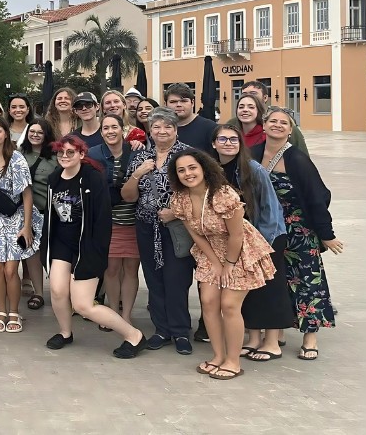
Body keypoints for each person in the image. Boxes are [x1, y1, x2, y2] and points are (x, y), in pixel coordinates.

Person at [164, 149, 277, 380]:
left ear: (204, 168)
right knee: (208, 302)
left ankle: (233, 362)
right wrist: (215, 263)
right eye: (181, 170)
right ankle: (218, 356)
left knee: (229, 305)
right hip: (209, 251)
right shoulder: (180, 199)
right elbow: (195, 235)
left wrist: (228, 265)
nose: (188, 173)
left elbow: (236, 235)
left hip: (239, 250)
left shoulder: (223, 194)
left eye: (192, 167)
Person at [44, 136, 148, 358]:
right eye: (61, 153)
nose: (64, 156)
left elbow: (102, 218)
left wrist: (96, 252)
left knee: (83, 305)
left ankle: (134, 335)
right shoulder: (55, 177)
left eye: (70, 152)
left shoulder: (92, 178)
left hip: (87, 245)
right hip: (61, 242)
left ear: (82, 154)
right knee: (57, 290)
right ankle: (65, 332)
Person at [254, 107, 343, 361]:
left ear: (291, 130)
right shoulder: (254, 153)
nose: (278, 125)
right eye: (273, 121)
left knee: (306, 282)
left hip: (299, 231)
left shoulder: (297, 159)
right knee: (275, 282)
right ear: (264, 125)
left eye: (284, 123)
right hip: (267, 231)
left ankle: (310, 337)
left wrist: (326, 233)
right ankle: (276, 330)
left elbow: (317, 197)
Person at [210, 124, 291, 361]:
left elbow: (269, 207)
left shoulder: (253, 169)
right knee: (250, 292)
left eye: (233, 139)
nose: (228, 143)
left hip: (266, 236)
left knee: (271, 290)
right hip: (239, 239)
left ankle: (272, 342)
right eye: (222, 139)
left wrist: (265, 243)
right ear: (214, 144)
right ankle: (255, 339)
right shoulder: (213, 170)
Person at [120, 106, 194, 355]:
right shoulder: (141, 158)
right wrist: (137, 175)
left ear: (176, 129)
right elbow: (128, 196)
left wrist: (176, 212)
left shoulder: (187, 156)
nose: (162, 131)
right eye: (156, 126)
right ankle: (161, 329)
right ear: (149, 130)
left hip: (177, 227)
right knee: (154, 278)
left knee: (177, 278)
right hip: (145, 226)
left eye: (168, 126)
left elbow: (198, 192)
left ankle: (181, 331)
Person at [0, 116, 42, 334]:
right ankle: (1, 310)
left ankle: (14, 311)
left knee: (10, 269)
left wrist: (26, 226)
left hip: (15, 216)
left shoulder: (15, 158)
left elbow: (27, 194)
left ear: (6, 133)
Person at [90, 114, 140, 331]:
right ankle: (112, 312)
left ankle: (126, 315)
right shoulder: (93, 154)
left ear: (123, 129)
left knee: (130, 269)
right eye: (105, 128)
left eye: (114, 127)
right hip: (108, 222)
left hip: (134, 221)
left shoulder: (137, 152)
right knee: (110, 269)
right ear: (101, 132)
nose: (110, 131)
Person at [20, 118, 55, 309]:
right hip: (28, 213)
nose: (34, 135)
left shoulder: (56, 156)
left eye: (39, 132)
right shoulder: (19, 154)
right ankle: (39, 293)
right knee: (32, 252)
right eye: (31, 131)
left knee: (53, 254)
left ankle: (63, 293)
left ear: (46, 135)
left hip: (51, 211)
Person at [241, 81, 309, 155]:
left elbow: (303, 157)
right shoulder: (234, 123)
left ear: (265, 98)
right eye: (244, 94)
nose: (248, 97)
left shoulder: (284, 124)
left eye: (253, 93)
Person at [164, 83, 216, 151]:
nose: (178, 105)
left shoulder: (210, 128)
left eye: (184, 101)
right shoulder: (160, 130)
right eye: (173, 102)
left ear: (192, 103)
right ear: (165, 104)